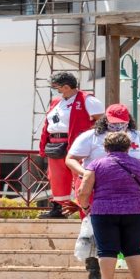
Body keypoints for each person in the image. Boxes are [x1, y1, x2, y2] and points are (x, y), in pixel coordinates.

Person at [67, 104, 140, 279]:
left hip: (130, 190)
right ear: (105, 119)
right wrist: (84, 173)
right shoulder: (91, 136)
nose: (117, 127)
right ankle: (94, 275)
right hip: (97, 189)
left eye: (121, 123)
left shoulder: (138, 137)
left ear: (128, 121)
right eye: (113, 123)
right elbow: (71, 158)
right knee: (93, 230)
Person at [77, 131, 140, 279]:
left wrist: (86, 207)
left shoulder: (96, 165)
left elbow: (83, 191)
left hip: (104, 212)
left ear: (105, 147)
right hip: (136, 212)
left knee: (106, 249)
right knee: (134, 248)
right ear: (128, 147)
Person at [38, 71, 104, 218]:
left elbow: (102, 121)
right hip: (55, 143)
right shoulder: (56, 102)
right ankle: (59, 208)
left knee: (79, 175)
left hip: (76, 143)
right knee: (56, 177)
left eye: (58, 87)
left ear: (67, 87)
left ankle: (85, 208)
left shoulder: (87, 100)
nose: (57, 91)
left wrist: (89, 137)